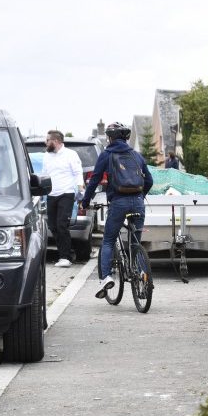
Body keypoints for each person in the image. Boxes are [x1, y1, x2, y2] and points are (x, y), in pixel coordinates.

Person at [82, 122, 154, 298]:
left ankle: (106, 278)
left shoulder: (107, 155)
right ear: (126, 137)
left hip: (118, 203)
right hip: (138, 202)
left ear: (109, 137)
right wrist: (139, 196)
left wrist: (85, 201)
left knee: (108, 241)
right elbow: (149, 180)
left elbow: (95, 180)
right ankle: (144, 281)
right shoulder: (136, 155)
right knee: (136, 243)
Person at [43, 129, 83, 267]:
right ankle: (66, 253)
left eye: (47, 140)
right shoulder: (47, 156)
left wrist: (80, 188)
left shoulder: (71, 155)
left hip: (66, 193)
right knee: (52, 226)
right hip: (51, 194)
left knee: (62, 225)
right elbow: (44, 174)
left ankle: (65, 257)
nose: (45, 142)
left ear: (55, 141)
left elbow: (78, 172)